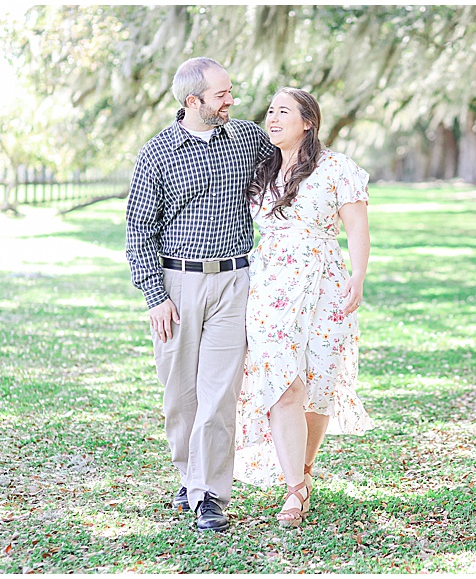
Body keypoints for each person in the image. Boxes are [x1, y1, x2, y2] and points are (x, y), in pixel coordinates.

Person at [125, 57, 275, 532]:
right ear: (194, 102)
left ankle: (209, 494)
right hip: (177, 285)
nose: (231, 100)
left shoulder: (249, 138)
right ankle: (189, 476)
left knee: (219, 396)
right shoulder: (157, 154)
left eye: (231, 91)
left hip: (235, 281)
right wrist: (155, 296)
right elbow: (138, 232)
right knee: (180, 398)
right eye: (221, 95)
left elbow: (295, 157)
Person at [234, 88, 375, 528]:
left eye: (283, 111)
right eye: (270, 111)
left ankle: (305, 472)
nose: (272, 118)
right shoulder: (261, 169)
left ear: (308, 121)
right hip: (272, 282)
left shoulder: (338, 168)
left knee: (319, 382)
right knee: (284, 383)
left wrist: (358, 276)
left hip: (325, 282)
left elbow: (356, 229)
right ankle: (294, 488)